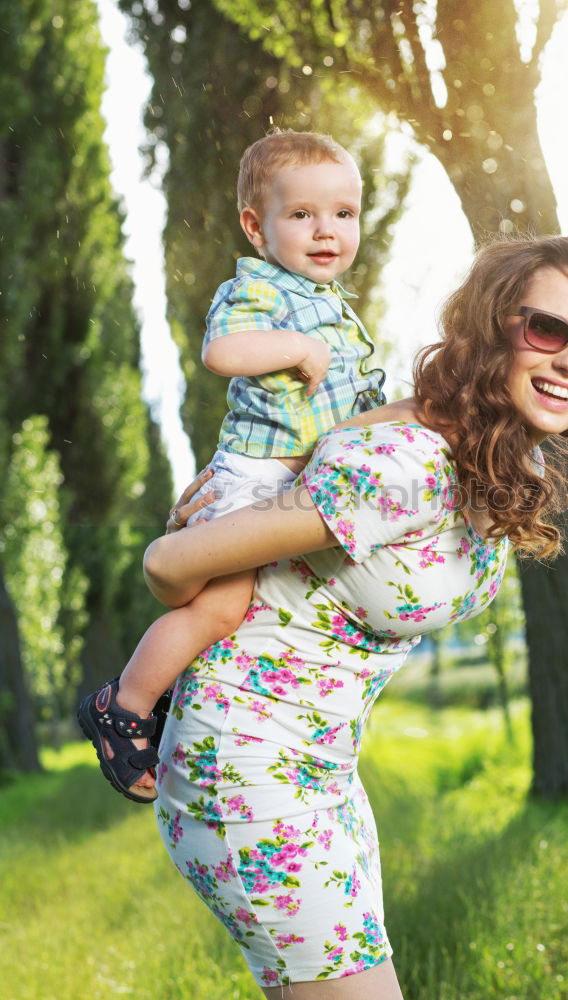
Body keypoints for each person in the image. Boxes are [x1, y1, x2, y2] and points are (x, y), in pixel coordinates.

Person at [140, 235, 568, 998]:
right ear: (493, 328)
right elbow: (167, 563)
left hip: (322, 772)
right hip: (246, 764)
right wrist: (232, 506)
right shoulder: (406, 465)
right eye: (546, 330)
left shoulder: (490, 456)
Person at [78, 129, 385, 803]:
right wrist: (295, 345)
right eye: (302, 214)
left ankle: (196, 709)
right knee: (220, 610)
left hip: (294, 482)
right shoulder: (262, 290)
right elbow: (221, 351)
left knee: (258, 616)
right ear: (256, 226)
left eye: (343, 213)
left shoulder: (327, 301)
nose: (327, 230)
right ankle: (124, 706)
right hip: (257, 478)